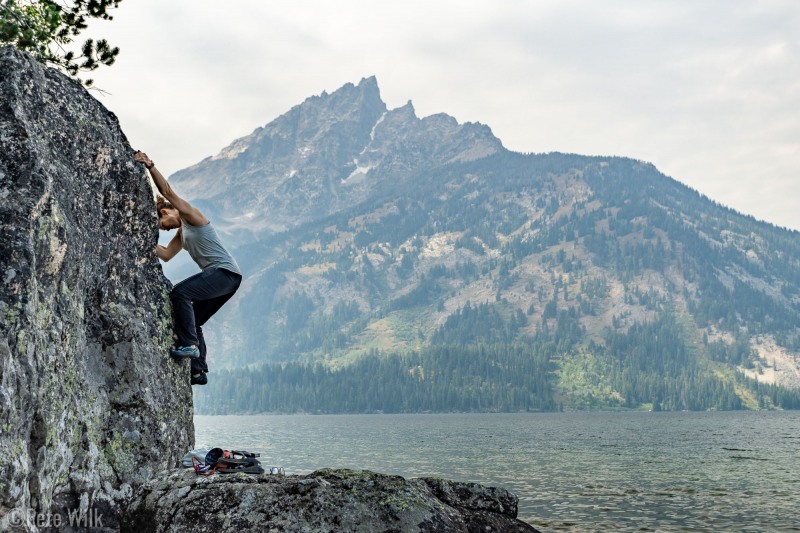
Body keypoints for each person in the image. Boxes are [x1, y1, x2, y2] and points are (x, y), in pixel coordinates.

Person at [134, 150, 242, 386]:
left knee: (180, 293)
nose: (168, 230)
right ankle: (198, 370)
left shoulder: (192, 217)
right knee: (195, 320)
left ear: (165, 212)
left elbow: (167, 192)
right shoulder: (183, 235)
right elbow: (165, 255)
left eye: (164, 225)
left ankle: (190, 346)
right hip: (229, 281)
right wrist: (136, 237)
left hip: (224, 274)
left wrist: (150, 165)